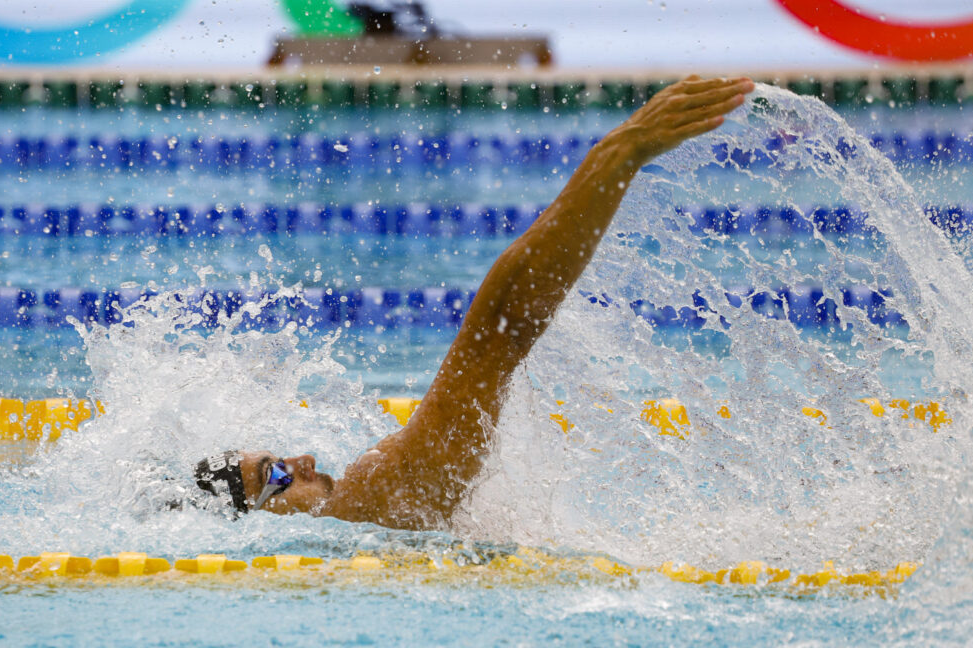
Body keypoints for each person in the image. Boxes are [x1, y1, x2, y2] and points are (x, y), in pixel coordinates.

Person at [195, 76, 754, 530]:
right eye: (279, 476)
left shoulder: (357, 519)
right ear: (256, 520)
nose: (305, 462)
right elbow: (501, 329)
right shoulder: (373, 502)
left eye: (283, 460)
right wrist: (618, 154)